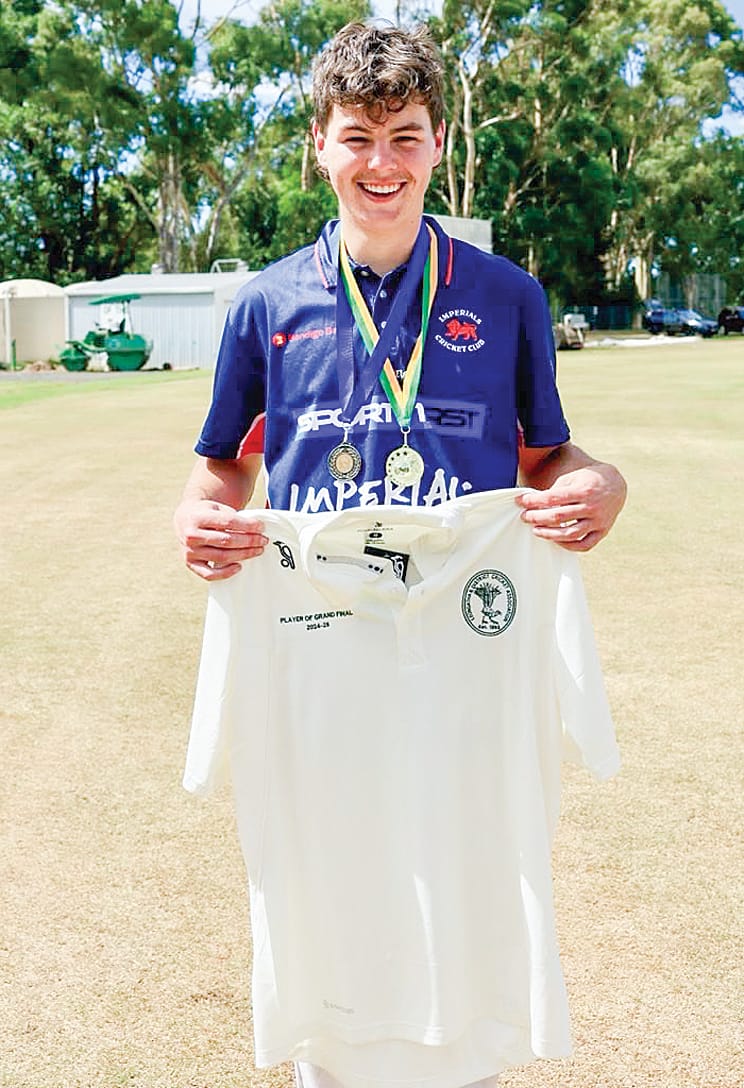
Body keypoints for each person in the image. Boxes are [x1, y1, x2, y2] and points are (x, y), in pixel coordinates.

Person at [174, 20, 626, 1087]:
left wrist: (603, 484)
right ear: (320, 147)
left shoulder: (507, 296)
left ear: (436, 143)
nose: (383, 163)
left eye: (407, 136)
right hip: (323, 650)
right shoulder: (266, 305)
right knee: (332, 869)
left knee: (464, 865)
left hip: (465, 654)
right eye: (359, 136)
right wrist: (195, 520)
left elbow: (554, 453)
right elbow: (218, 470)